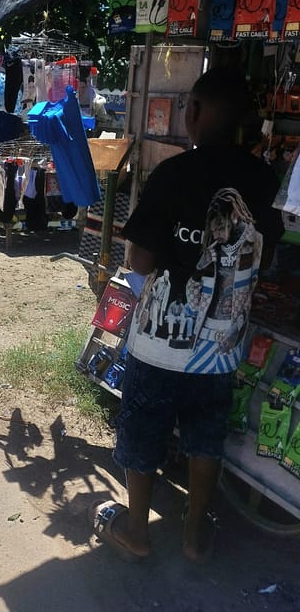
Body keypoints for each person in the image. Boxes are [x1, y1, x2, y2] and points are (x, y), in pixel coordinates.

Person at [89, 67, 284, 563]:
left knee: (143, 431)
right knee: (204, 437)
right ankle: (195, 536)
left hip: (159, 346)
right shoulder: (263, 181)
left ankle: (136, 529)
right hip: (220, 351)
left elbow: (140, 262)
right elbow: (269, 252)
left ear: (193, 112)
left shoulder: (174, 173)